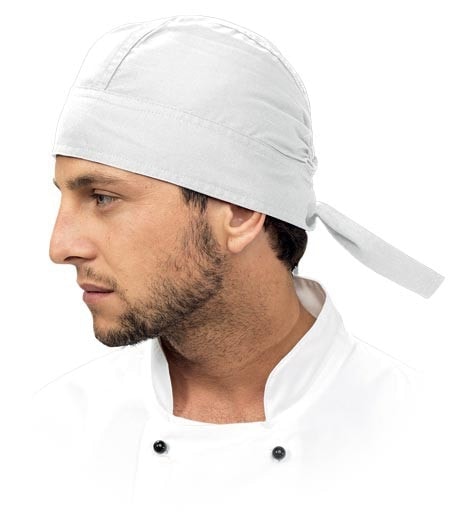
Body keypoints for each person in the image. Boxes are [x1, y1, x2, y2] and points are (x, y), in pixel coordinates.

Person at [30, 14, 443, 512]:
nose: (60, 247)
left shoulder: (424, 443)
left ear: (242, 212)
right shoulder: (41, 441)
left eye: (102, 198)